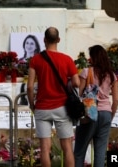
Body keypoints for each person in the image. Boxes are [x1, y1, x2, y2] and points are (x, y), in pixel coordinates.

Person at [27, 27, 80, 167]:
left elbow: (30, 86)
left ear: (44, 40)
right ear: (58, 40)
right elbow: (76, 82)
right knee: (67, 147)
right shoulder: (67, 59)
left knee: (45, 149)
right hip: (62, 107)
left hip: (42, 107)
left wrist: (32, 104)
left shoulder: (35, 60)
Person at [74, 45, 118, 167]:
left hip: (90, 114)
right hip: (106, 114)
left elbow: (79, 94)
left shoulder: (86, 72)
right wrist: (110, 115)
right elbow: (116, 100)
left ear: (94, 57)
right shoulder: (111, 75)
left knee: (79, 152)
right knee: (100, 153)